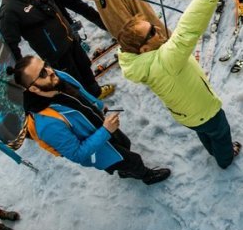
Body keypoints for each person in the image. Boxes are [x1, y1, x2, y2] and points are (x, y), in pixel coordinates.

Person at [117, 0, 242, 168]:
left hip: (186, 115)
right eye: (151, 33)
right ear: (144, 49)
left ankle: (213, 150)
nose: (158, 29)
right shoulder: (165, 60)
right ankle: (225, 158)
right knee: (220, 133)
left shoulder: (136, 62)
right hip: (205, 111)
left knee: (204, 132)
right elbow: (188, 29)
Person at [9, 56, 170, 185]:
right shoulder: (46, 124)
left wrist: (99, 107)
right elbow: (77, 154)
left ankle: (124, 170)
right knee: (133, 160)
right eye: (42, 73)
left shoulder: (57, 79)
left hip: (104, 127)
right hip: (100, 148)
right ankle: (146, 176)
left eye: (46, 65)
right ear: (34, 88)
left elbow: (82, 94)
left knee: (125, 144)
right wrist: (105, 131)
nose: (50, 71)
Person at [0, 0, 110, 99]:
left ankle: (96, 92)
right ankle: (88, 102)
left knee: (84, 66)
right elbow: (10, 43)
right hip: (57, 53)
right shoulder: (8, 10)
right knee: (74, 80)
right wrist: (24, 70)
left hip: (69, 37)